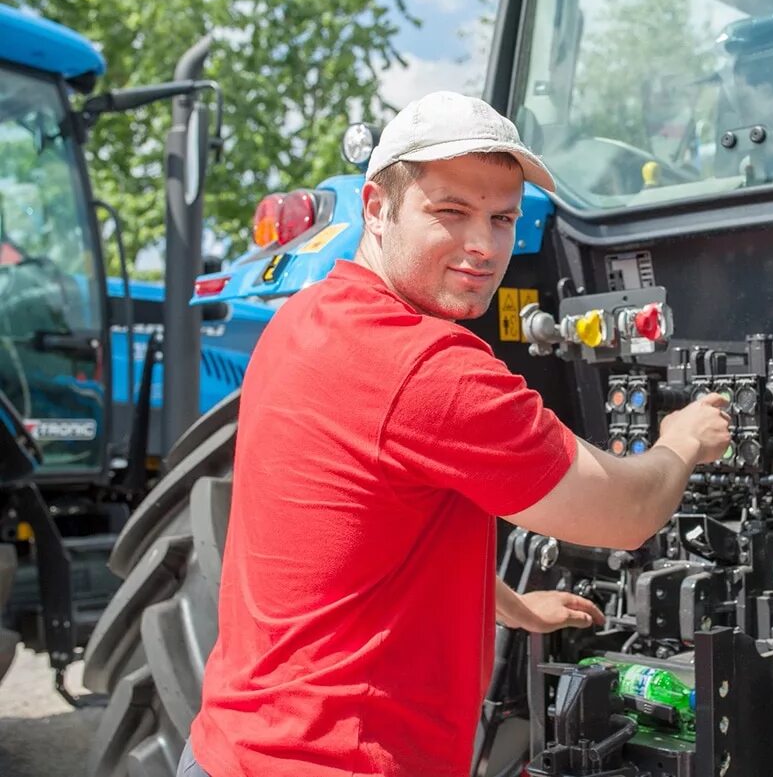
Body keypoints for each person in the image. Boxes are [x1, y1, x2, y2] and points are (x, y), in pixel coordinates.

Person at [181, 91, 730, 777]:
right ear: (376, 208)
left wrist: (507, 604)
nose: (484, 246)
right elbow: (626, 514)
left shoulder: (305, 319)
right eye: (451, 212)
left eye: (502, 218)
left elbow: (366, 524)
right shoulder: (428, 370)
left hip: (229, 747)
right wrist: (682, 440)